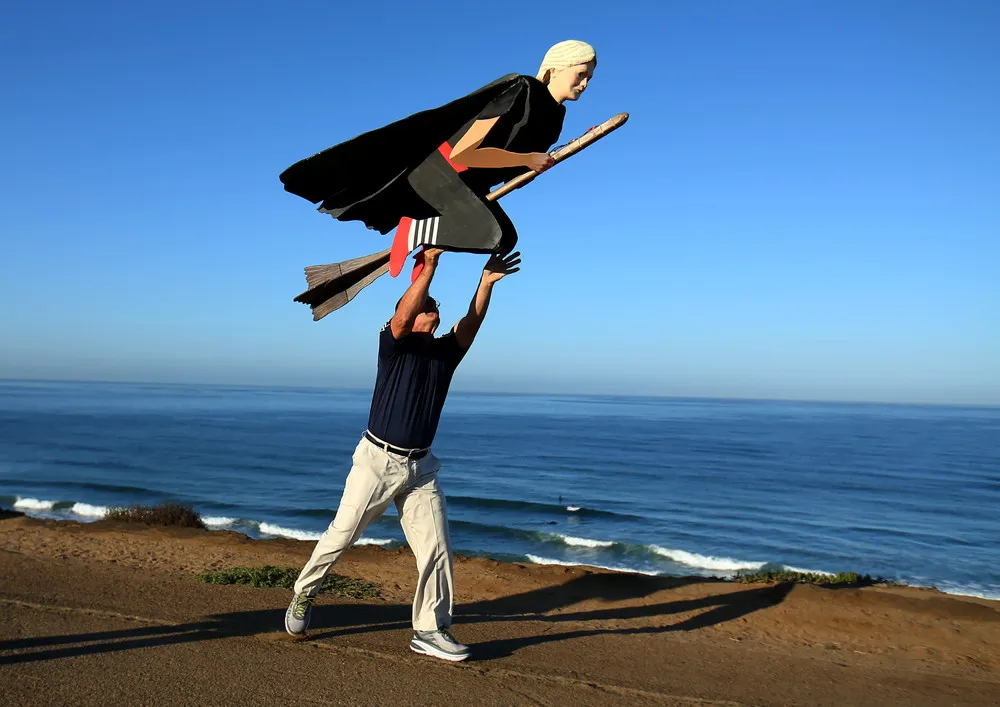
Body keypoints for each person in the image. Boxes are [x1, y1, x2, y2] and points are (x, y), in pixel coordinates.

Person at [284, 247, 521, 662]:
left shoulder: (445, 353)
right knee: (342, 536)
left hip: (421, 466)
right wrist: (428, 267)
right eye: (425, 304)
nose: (433, 306)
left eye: (434, 305)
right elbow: (400, 316)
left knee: (436, 548)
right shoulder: (393, 345)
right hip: (378, 461)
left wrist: (484, 283)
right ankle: (304, 593)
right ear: (408, 315)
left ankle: (430, 630)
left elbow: (472, 323)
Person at [281, 40, 596, 314]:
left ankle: (425, 239)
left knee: (506, 239)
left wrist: (563, 150)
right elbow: (464, 153)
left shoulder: (557, 117)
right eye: (580, 73)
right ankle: (419, 228)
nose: (584, 83)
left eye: (589, 77)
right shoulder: (522, 90)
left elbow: (513, 167)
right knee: (495, 234)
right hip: (440, 174)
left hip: (468, 185)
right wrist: (527, 159)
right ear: (555, 67)